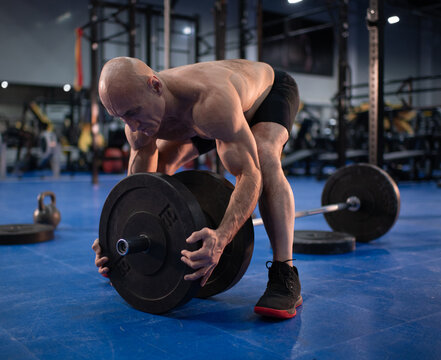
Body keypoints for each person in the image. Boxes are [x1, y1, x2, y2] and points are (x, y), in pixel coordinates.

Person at [92, 57, 302, 319]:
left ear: (155, 86)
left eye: (133, 112)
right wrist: (117, 242)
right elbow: (139, 192)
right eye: (121, 117)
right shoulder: (137, 120)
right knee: (160, 166)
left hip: (268, 93)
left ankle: (285, 272)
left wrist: (222, 237)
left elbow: (249, 175)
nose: (132, 126)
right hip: (206, 117)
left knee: (263, 157)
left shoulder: (210, 100)